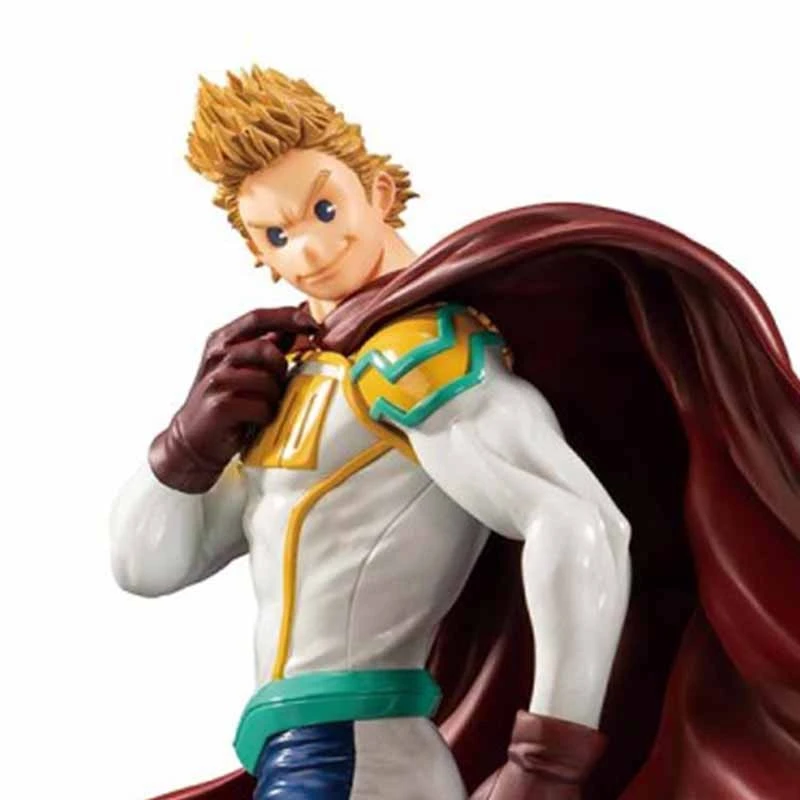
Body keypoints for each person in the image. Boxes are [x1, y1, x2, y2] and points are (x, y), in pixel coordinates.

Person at [111, 67, 800, 800]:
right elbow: (147, 567)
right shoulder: (300, 379)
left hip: (351, 752)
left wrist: (548, 762)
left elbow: (579, 521)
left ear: (377, 192)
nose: (308, 251)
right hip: (310, 748)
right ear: (255, 248)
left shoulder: (417, 357)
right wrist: (186, 447)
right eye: (278, 234)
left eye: (324, 209)